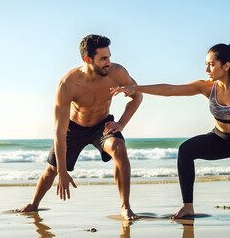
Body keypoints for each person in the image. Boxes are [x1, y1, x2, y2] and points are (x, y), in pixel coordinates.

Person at [110, 41, 230, 219]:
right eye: (206, 64)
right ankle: (188, 206)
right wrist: (138, 88)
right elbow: (171, 90)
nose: (206, 69)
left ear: (226, 66)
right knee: (185, 150)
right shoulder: (206, 87)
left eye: (211, 64)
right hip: (219, 139)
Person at [15, 34, 142, 220]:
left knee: (119, 148)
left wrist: (121, 123)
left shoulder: (117, 73)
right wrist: (63, 171)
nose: (109, 63)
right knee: (52, 169)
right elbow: (59, 130)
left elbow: (137, 95)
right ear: (88, 59)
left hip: (102, 125)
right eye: (103, 59)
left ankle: (125, 207)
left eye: (109, 57)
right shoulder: (68, 84)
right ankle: (33, 204)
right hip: (74, 127)